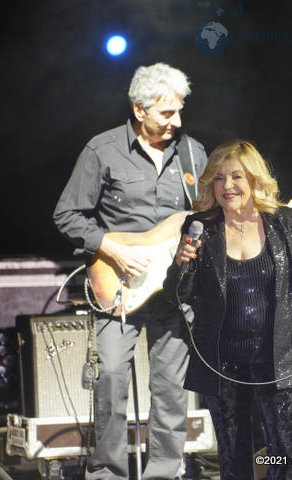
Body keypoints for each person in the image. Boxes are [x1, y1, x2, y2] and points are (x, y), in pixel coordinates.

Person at [53, 62, 207, 480]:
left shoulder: (193, 153)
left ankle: (164, 473)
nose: (177, 122)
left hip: (174, 290)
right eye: (167, 113)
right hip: (118, 285)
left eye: (180, 111)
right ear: (140, 110)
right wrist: (113, 248)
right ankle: (107, 473)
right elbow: (67, 215)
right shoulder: (102, 150)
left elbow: (202, 218)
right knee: (110, 379)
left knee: (171, 389)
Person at [163, 139, 292, 480]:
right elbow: (178, 296)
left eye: (236, 176)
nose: (227, 186)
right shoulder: (200, 227)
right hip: (224, 362)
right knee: (232, 460)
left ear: (254, 179)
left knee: (286, 455)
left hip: (277, 359)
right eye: (219, 178)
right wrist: (180, 266)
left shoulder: (287, 223)